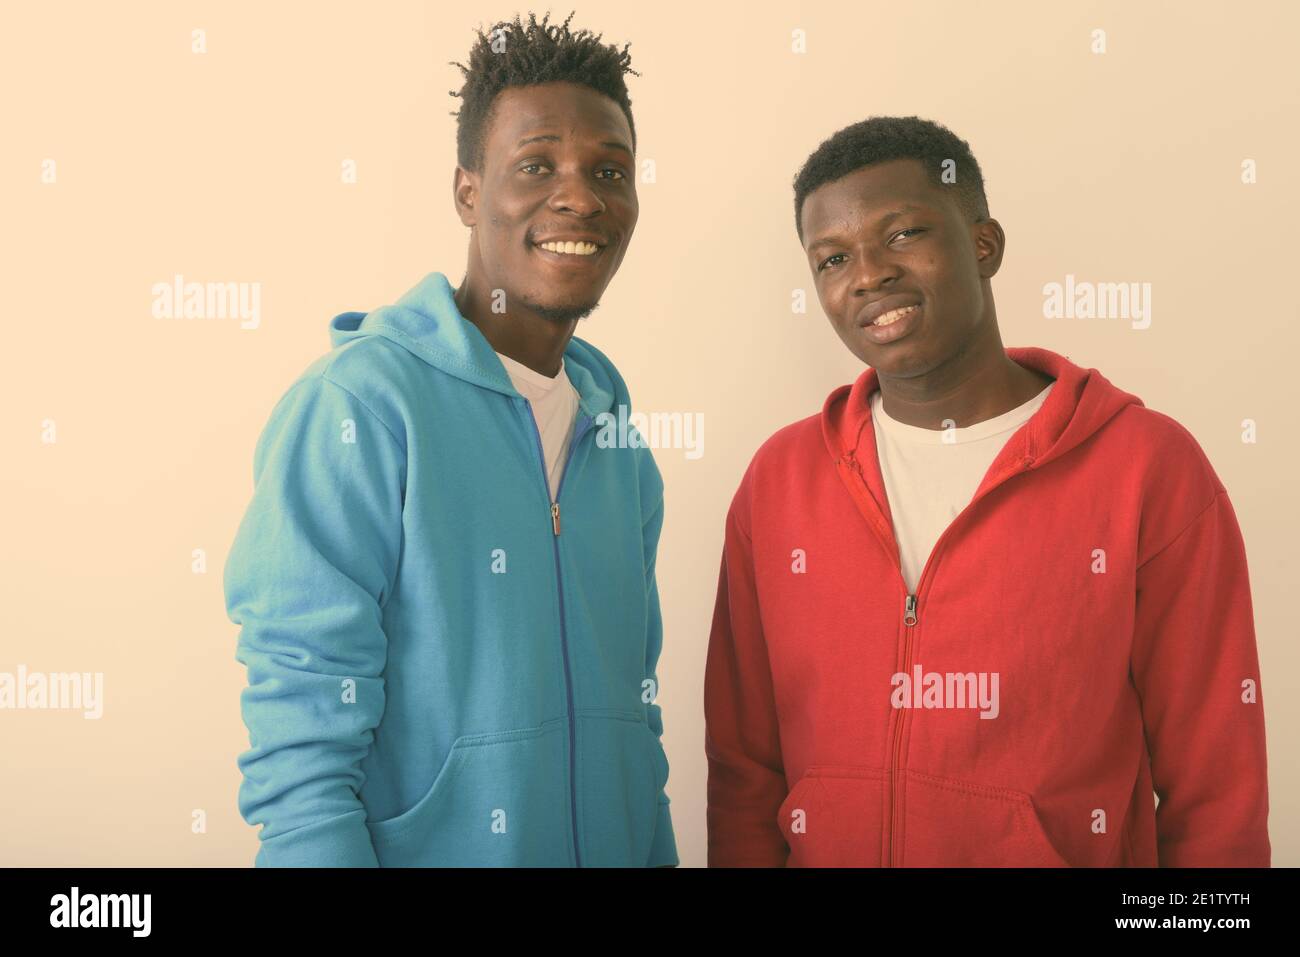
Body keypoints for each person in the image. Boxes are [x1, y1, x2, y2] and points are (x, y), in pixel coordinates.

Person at [704, 115, 1270, 867]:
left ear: (984, 244)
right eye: (833, 258)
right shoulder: (778, 483)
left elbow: (1217, 792)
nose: (868, 273)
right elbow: (746, 773)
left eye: (903, 233)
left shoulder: (1147, 468)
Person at [225, 11, 677, 867]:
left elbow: (634, 712)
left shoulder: (615, 432)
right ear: (469, 191)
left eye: (609, 170)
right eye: (536, 164)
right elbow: (302, 747)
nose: (580, 195)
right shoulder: (356, 406)